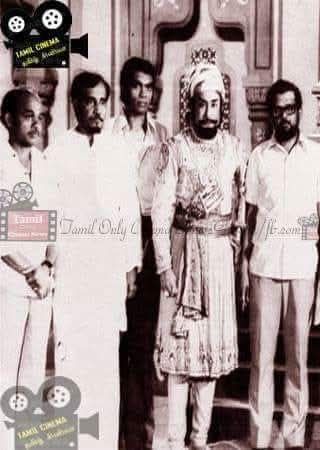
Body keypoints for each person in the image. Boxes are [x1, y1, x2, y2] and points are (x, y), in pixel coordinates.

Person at [151, 62, 247, 450]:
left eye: (215, 104)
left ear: (223, 106)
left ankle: (199, 440)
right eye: (201, 104)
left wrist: (236, 255)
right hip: (182, 258)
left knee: (208, 362)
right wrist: (163, 266)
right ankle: (175, 441)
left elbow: (242, 207)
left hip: (220, 262)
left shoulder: (234, 149)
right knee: (179, 359)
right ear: (190, 106)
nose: (208, 113)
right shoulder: (175, 149)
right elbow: (161, 211)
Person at [48, 71, 141, 450]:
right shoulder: (57, 152)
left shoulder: (118, 150)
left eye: (103, 101)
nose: (98, 109)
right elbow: (50, 214)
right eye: (90, 101)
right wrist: (50, 264)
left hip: (107, 272)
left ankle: (103, 443)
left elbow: (128, 211)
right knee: (71, 360)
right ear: (75, 104)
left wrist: (130, 266)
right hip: (72, 272)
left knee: (105, 364)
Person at [244, 79, 320, 449]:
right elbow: (249, 216)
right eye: (278, 109)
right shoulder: (258, 157)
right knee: (261, 359)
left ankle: (294, 436)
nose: (284, 116)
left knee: (298, 358)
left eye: (290, 109)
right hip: (264, 267)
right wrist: (243, 267)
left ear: (299, 111)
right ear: (271, 114)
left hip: (302, 267)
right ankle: (260, 435)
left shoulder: (316, 156)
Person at [108, 57, 168, 450]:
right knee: (113, 344)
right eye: (137, 86)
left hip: (148, 238)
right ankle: (110, 436)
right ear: (124, 89)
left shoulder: (162, 135)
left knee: (142, 348)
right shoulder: (107, 133)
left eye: (149, 87)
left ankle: (140, 439)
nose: (144, 94)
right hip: (113, 238)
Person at [0, 88, 57, 449]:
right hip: (8, 285)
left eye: (40, 116)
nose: (36, 123)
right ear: (7, 119)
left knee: (33, 375)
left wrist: (47, 265)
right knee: (4, 372)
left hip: (42, 286)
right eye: (27, 115)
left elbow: (54, 225)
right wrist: (30, 270)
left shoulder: (45, 165)